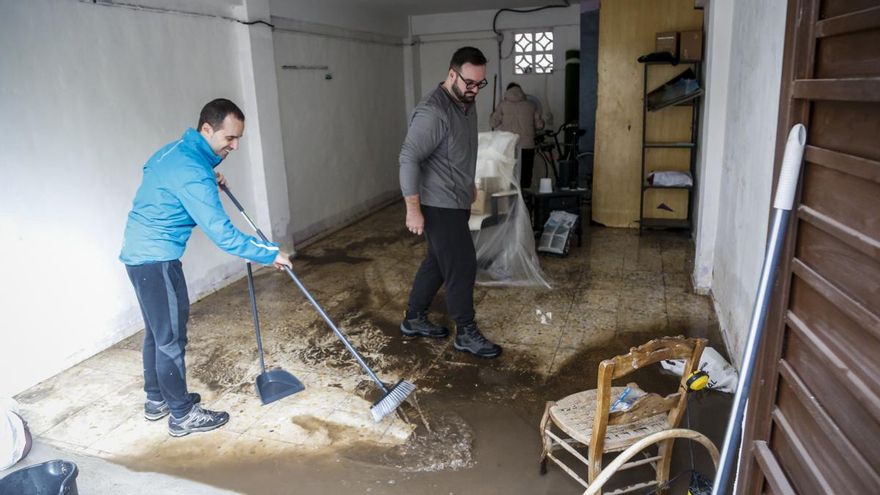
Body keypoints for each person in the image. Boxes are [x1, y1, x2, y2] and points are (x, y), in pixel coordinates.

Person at [120, 98, 293, 437]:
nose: (235, 145)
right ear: (207, 129)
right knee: (169, 336)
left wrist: (204, 180)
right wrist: (269, 252)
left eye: (239, 138)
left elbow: (156, 178)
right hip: (156, 259)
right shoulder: (192, 171)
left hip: (139, 254)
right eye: (229, 138)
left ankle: (157, 400)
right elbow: (225, 236)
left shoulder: (174, 154)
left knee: (158, 332)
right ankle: (182, 415)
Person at [398, 47, 502, 359]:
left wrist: (467, 181)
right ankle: (465, 333)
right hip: (437, 203)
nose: (474, 90)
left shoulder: (466, 102)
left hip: (456, 198)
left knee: (438, 261)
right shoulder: (434, 112)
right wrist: (412, 209)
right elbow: (408, 158)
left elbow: (458, 148)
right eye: (469, 82)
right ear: (452, 74)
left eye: (479, 83)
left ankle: (414, 318)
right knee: (461, 263)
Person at [490, 82, 544, 190]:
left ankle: (510, 199)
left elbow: (493, 123)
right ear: (521, 91)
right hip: (527, 146)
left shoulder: (502, 105)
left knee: (509, 174)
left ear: (507, 91)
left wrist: (492, 115)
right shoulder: (531, 105)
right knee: (526, 174)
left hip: (509, 146)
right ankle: (525, 199)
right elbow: (540, 125)